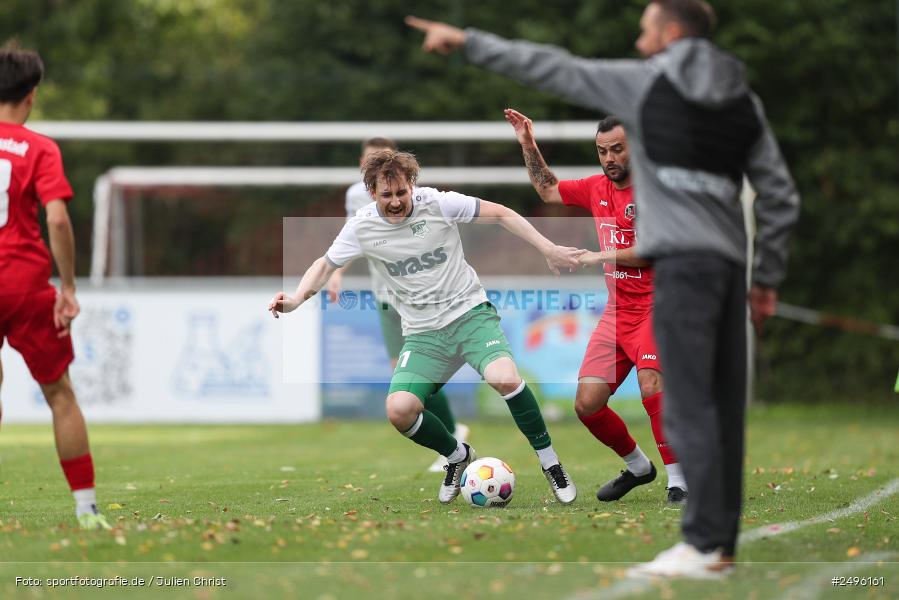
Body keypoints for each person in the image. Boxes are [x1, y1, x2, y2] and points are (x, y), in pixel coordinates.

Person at [407, 0, 800, 578]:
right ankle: (713, 537)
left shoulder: (648, 89)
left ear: (669, 34)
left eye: (645, 32)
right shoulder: (741, 100)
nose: (640, 43)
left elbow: (557, 66)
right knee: (710, 409)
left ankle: (701, 537)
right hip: (727, 269)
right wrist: (765, 278)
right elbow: (779, 193)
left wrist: (468, 42)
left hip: (679, 279)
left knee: (678, 399)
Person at [270, 150, 582, 505]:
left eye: (401, 192)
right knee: (399, 410)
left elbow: (502, 213)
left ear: (411, 186)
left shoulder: (438, 203)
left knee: (505, 377)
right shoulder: (362, 225)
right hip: (423, 333)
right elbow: (324, 265)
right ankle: (456, 455)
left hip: (469, 315)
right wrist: (295, 299)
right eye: (386, 195)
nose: (396, 201)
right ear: (372, 193)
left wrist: (548, 247)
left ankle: (550, 462)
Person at [505, 109, 685, 505]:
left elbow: (652, 251)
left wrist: (595, 256)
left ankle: (680, 481)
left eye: (617, 149)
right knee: (587, 404)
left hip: (657, 307)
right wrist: (528, 143)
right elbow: (549, 191)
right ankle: (639, 466)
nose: (609, 159)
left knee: (652, 383)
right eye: (602, 151)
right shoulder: (595, 187)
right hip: (617, 314)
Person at [0, 43, 110, 530]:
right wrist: (67, 285)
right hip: (24, 284)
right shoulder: (39, 148)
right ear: (33, 95)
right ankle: (86, 511)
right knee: (59, 394)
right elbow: (58, 218)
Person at [327, 137, 469, 473]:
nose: (371, 164)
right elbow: (351, 239)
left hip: (417, 298)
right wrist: (336, 274)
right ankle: (453, 435)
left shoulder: (411, 197)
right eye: (367, 160)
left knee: (420, 371)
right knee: (401, 369)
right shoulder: (355, 196)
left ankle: (451, 436)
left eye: (378, 158)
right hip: (384, 297)